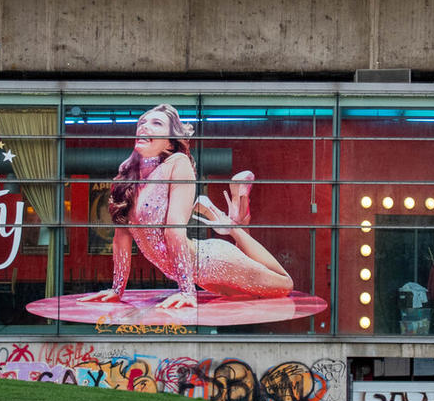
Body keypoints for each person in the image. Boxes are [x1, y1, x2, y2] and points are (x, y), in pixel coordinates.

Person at [78, 103, 292, 310]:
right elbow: (121, 238)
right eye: (142, 122)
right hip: (193, 272)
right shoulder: (126, 177)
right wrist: (117, 290)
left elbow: (174, 230)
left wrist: (187, 290)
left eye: (156, 124)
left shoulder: (177, 162)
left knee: (284, 285)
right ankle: (235, 213)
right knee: (239, 295)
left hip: (211, 263)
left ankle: (232, 225)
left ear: (170, 143)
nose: (144, 126)